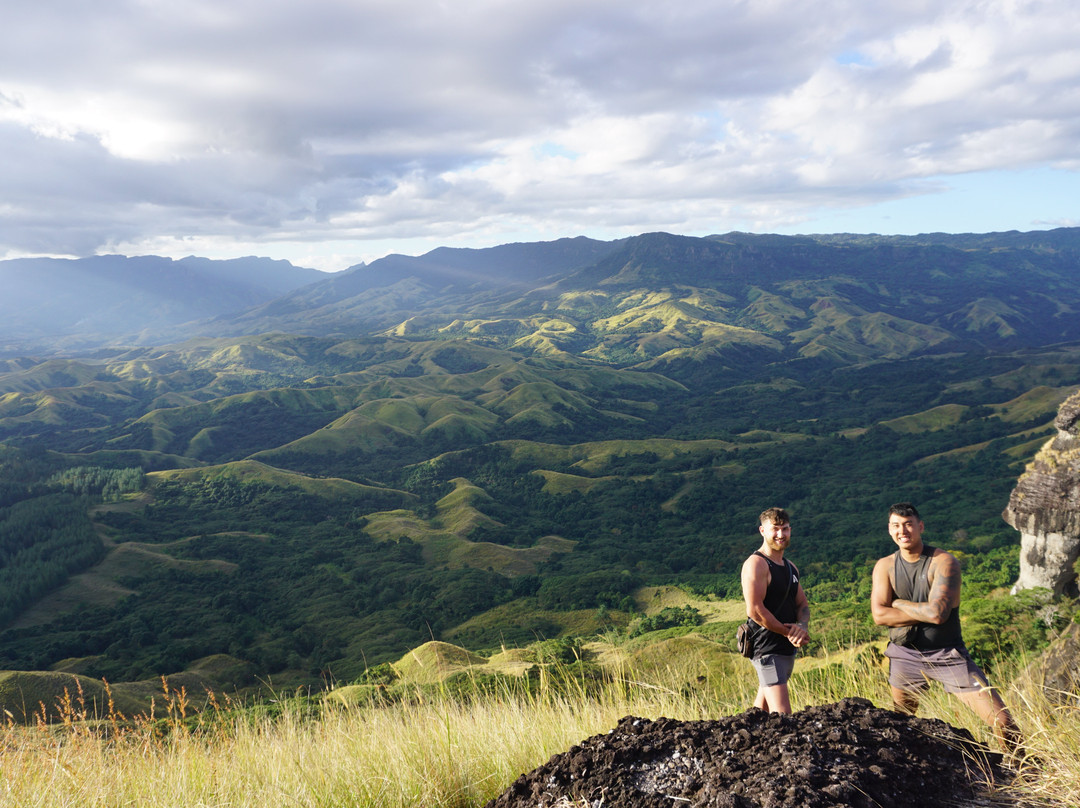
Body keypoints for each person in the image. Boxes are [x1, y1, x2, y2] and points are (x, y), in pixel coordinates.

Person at [871, 502, 1022, 752]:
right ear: (889, 530)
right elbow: (879, 615)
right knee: (902, 724)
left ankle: (1022, 772)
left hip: (947, 654)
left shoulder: (943, 561)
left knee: (1003, 722)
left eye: (909, 524)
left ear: (920, 526)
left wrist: (897, 603)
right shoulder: (885, 566)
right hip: (904, 654)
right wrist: (924, 611)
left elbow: (939, 614)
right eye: (896, 526)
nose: (903, 531)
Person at [740, 507, 810, 713]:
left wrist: (801, 627)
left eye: (785, 529)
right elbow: (755, 610)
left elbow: (802, 605)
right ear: (762, 531)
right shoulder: (756, 565)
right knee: (783, 715)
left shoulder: (790, 567)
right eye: (775, 529)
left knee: (759, 714)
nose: (781, 534)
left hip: (786, 648)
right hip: (766, 649)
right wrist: (788, 631)